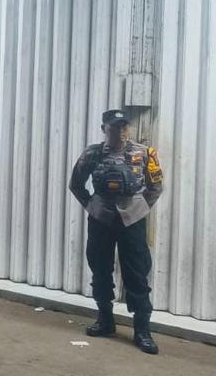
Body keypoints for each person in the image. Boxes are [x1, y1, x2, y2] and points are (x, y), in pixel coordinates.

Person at [68, 109, 165, 355]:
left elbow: (155, 185)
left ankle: (142, 330)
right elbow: (76, 184)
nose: (120, 132)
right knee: (100, 269)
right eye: (114, 127)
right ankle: (105, 321)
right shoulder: (92, 154)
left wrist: (140, 208)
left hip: (132, 220)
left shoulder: (144, 153)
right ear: (104, 129)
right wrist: (91, 206)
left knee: (137, 273)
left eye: (124, 127)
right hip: (101, 219)